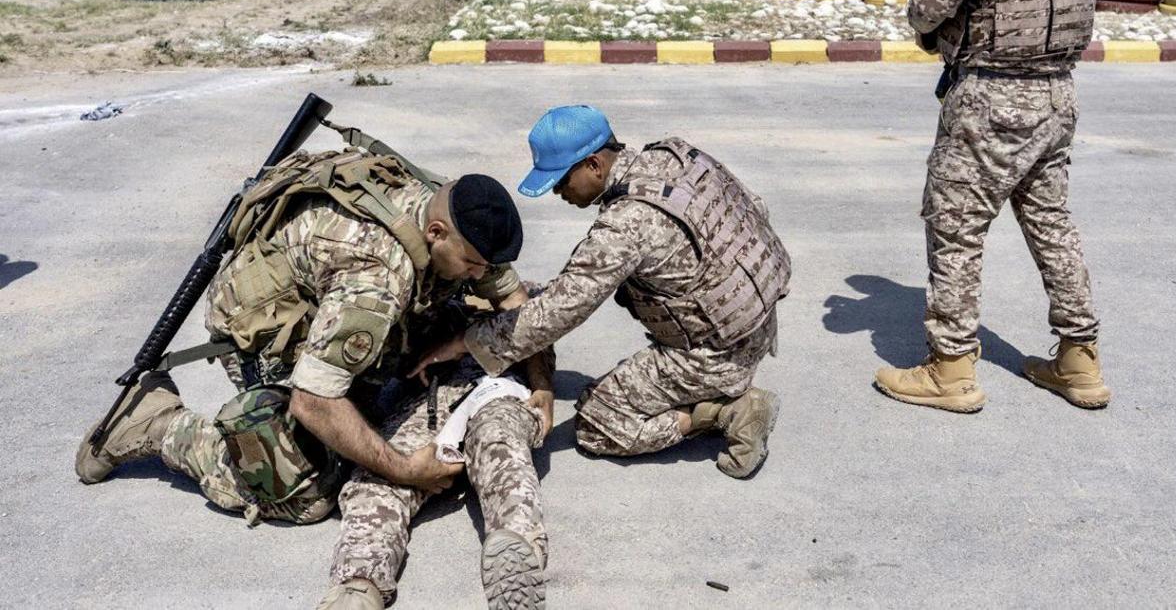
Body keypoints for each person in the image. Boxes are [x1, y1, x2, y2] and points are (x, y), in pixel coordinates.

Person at [75, 147, 553, 608]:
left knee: (458, 331)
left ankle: (374, 377)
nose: (480, 274)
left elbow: (515, 306)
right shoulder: (376, 277)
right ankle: (157, 425)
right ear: (435, 232)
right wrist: (407, 470)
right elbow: (314, 402)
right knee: (305, 489)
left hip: (339, 307)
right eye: (472, 264)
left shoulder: (452, 220)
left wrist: (540, 386)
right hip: (269, 338)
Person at [411, 105, 790, 479]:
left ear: (594, 165)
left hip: (713, 352)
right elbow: (755, 209)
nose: (557, 192)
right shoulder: (672, 155)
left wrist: (464, 342)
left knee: (597, 424)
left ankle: (728, 411)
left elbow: (559, 311)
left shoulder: (625, 226)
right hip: (756, 320)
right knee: (539, 295)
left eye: (561, 181)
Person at [875, 0, 1111, 412]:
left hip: (990, 99)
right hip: (1057, 94)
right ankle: (1080, 358)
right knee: (1051, 223)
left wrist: (929, 4)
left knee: (955, 229)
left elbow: (928, 7)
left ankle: (950, 370)